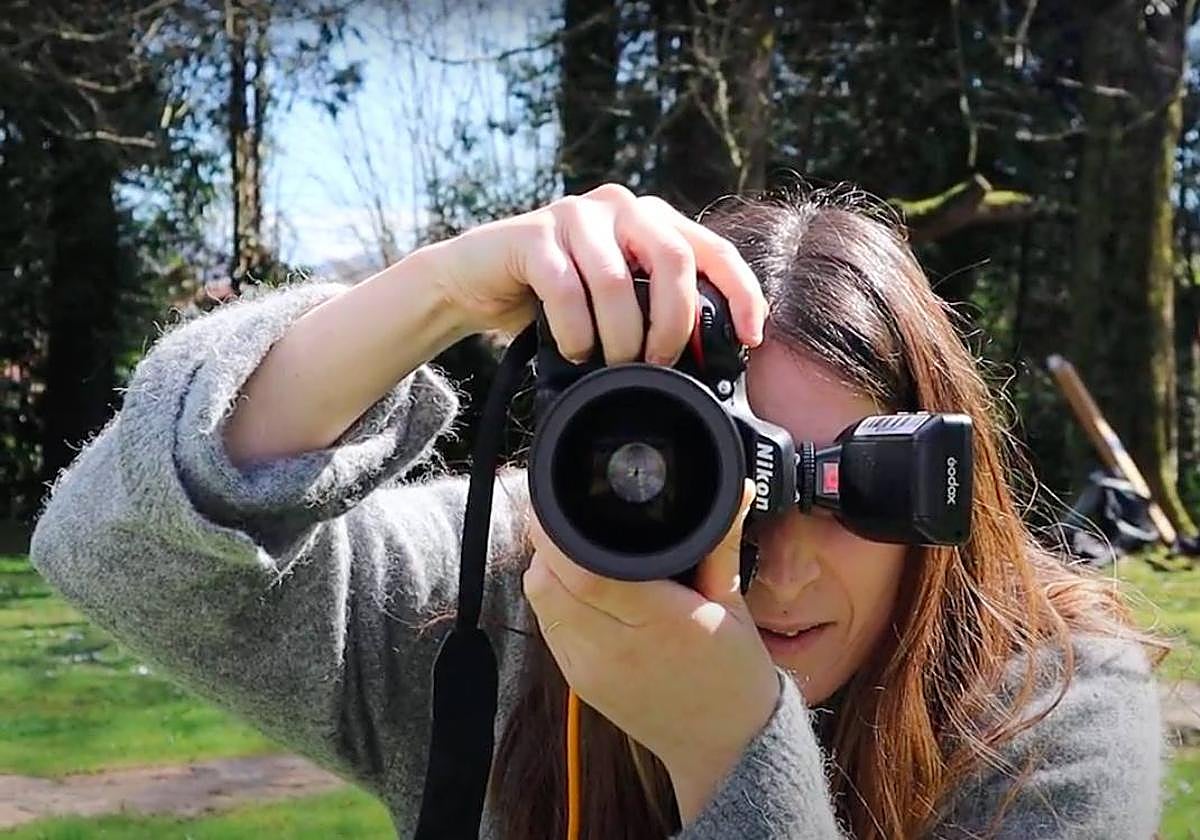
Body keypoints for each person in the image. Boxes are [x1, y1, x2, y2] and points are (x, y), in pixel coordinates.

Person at [30, 183, 1165, 839]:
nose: (779, 570)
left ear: (932, 479)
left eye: (848, 486)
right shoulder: (512, 593)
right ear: (599, 451)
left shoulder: (1046, 714)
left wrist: (729, 752)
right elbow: (118, 549)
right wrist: (431, 292)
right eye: (708, 478)